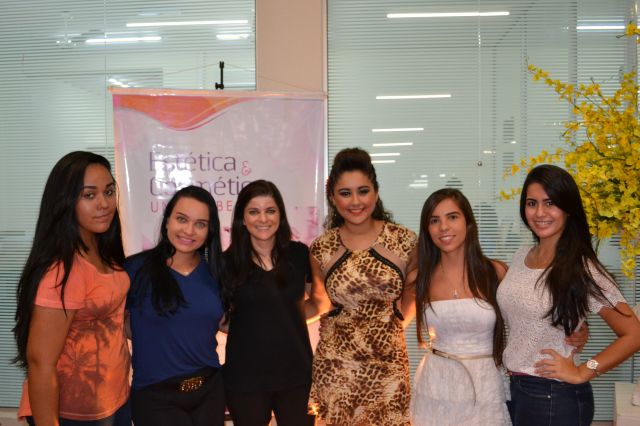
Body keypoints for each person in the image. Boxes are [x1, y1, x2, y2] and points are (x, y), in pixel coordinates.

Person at [497, 164, 640, 425]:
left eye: (550, 203)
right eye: (532, 203)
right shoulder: (521, 255)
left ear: (568, 208)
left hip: (554, 395)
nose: (540, 212)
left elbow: (634, 334)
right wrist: (576, 325)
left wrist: (584, 371)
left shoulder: (582, 267)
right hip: (516, 389)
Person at [13, 151, 131, 425]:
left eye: (108, 191)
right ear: (65, 201)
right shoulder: (61, 272)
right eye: (89, 195)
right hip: (74, 411)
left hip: (114, 397)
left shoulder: (102, 248)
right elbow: (41, 364)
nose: (104, 203)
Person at [306, 147, 417, 426]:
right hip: (336, 370)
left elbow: (413, 296)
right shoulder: (321, 248)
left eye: (363, 191)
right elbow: (319, 303)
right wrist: (270, 315)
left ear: (376, 193)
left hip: (389, 371)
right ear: (333, 198)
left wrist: (390, 328)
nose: (355, 201)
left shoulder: (404, 241)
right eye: (345, 193)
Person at [125, 186, 225, 426]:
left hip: (209, 392)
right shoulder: (135, 269)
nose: (189, 231)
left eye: (200, 224)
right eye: (182, 219)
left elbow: (224, 322)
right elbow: (117, 325)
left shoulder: (218, 273)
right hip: (155, 397)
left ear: (209, 230)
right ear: (167, 220)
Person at [410, 188, 510, 425]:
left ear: (468, 222)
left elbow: (526, 321)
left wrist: (578, 332)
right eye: (434, 220)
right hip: (435, 387)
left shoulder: (495, 272)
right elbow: (393, 322)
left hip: (485, 386)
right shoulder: (419, 278)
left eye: (452, 217)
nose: (443, 227)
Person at [222, 180, 315, 426]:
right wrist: (251, 324)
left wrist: (284, 318)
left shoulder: (299, 254)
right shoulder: (226, 263)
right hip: (245, 378)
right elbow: (220, 319)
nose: (263, 219)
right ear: (242, 218)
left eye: (270, 210)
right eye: (254, 211)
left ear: (280, 215)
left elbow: (317, 302)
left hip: (296, 374)